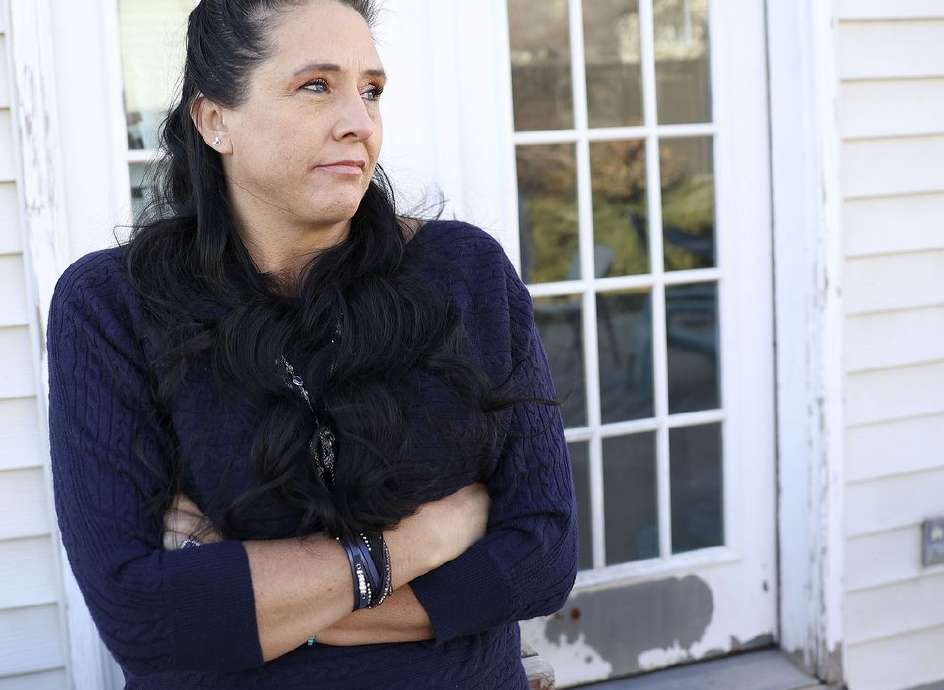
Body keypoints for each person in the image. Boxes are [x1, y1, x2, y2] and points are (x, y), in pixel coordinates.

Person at [44, 0, 578, 687]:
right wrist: (423, 542)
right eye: (316, 86)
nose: (359, 121)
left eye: (372, 90)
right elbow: (145, 620)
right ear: (215, 121)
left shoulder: (464, 275)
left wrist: (256, 599)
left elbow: (541, 559)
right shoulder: (112, 307)